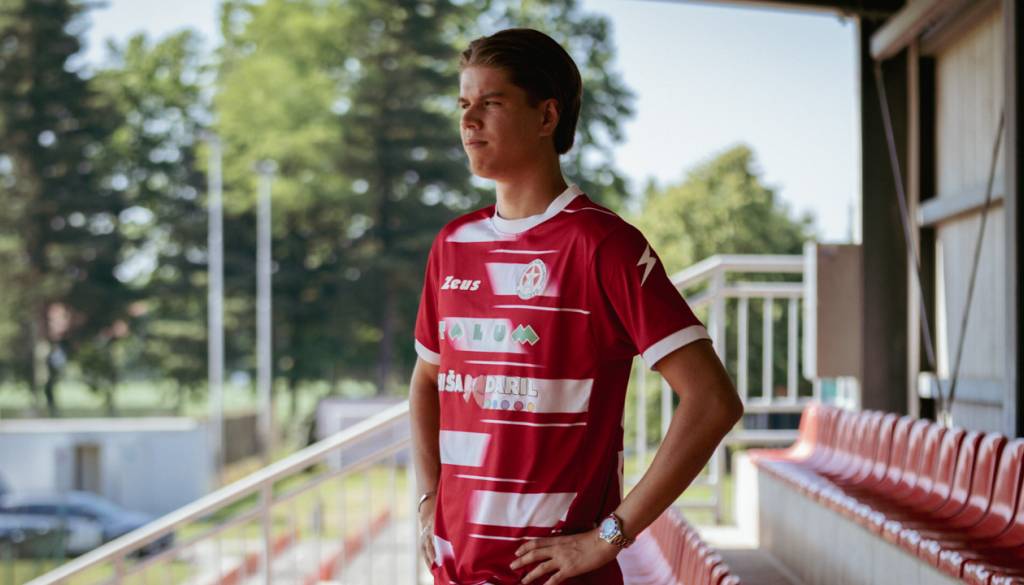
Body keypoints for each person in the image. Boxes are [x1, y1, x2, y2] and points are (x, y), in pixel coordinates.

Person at [409, 27, 744, 585]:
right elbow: (427, 381)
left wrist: (608, 537)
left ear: (547, 116)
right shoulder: (452, 244)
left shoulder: (604, 245)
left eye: (491, 104)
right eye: (464, 105)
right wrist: (428, 499)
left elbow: (712, 401)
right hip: (455, 573)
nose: (469, 122)